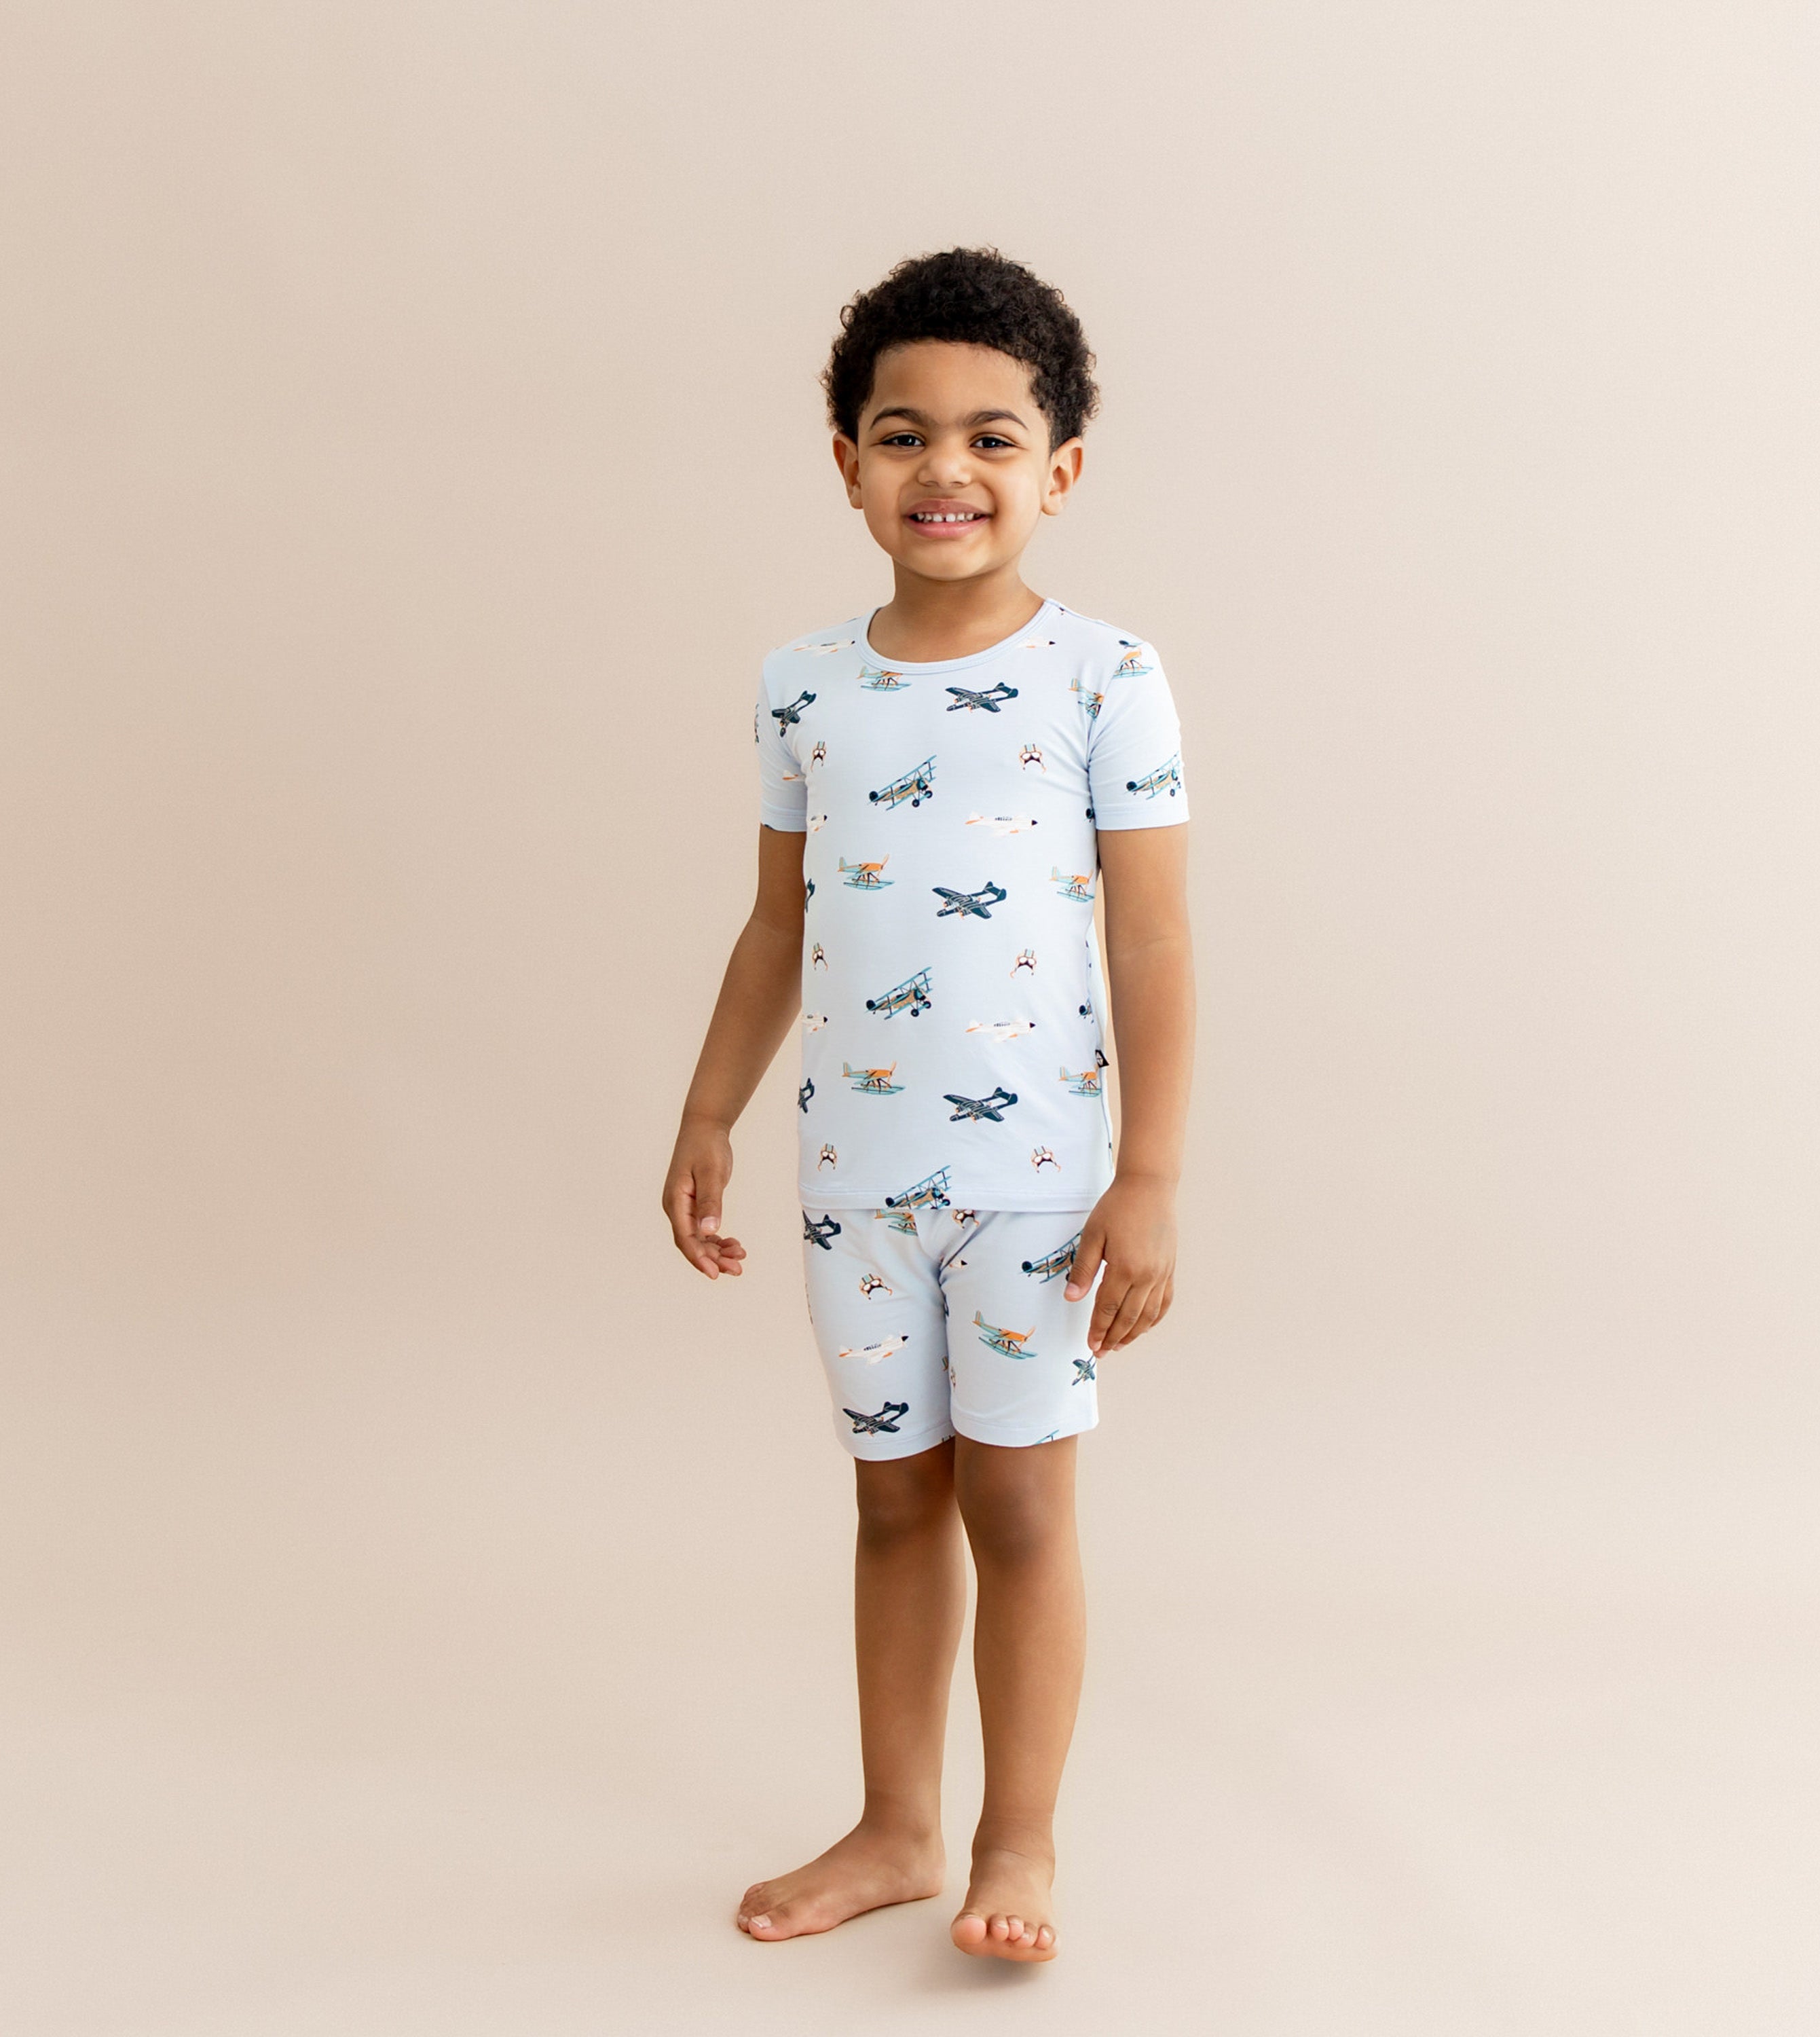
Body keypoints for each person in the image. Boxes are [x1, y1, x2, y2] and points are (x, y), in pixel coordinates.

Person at [662, 247, 1196, 1964]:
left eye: (991, 436)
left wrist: (1152, 1178)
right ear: (847, 463)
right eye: (902, 435)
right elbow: (776, 919)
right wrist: (708, 1115)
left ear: (1062, 470)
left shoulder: (1106, 678)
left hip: (1040, 1184)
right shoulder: (805, 683)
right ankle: (894, 1828)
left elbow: (1155, 935)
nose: (944, 471)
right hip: (855, 1178)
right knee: (895, 1501)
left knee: (1021, 1505)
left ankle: (1015, 1844)